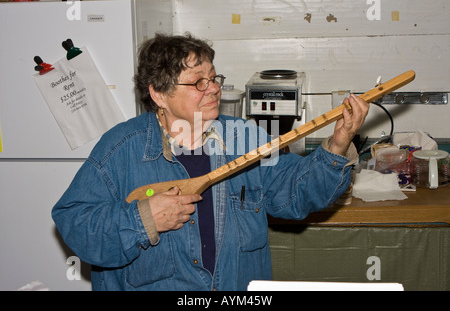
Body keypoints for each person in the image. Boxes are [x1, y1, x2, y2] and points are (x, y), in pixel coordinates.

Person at [52, 33, 369, 291]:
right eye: (198, 82)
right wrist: (142, 219)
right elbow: (74, 223)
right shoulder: (121, 149)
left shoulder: (246, 139)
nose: (215, 88)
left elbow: (297, 193)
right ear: (159, 94)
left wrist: (338, 144)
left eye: (214, 78)